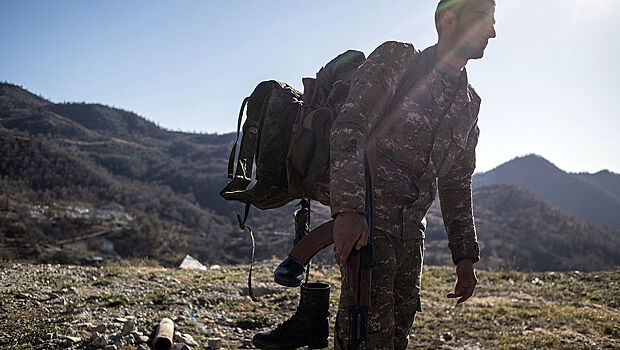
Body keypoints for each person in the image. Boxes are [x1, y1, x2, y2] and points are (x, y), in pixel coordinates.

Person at [331, 0, 496, 348]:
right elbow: (350, 127)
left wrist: (465, 256)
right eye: (483, 20)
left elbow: (456, 182)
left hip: (411, 241)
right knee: (363, 338)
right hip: (368, 229)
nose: (492, 31)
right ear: (448, 20)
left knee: (397, 338)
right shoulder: (399, 60)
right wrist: (348, 210)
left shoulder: (469, 103)